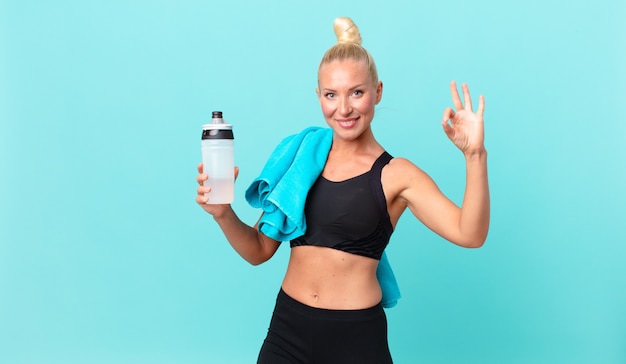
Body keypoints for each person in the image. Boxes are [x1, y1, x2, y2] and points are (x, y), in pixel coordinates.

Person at [196, 17, 489, 364]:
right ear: (319, 95)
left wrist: (475, 155)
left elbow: (470, 234)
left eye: (357, 93)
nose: (344, 108)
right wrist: (223, 214)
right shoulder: (302, 158)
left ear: (377, 92)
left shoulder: (397, 175)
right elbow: (260, 250)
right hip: (287, 334)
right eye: (331, 95)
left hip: (356, 343)